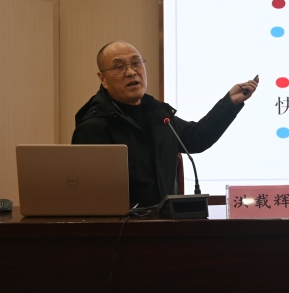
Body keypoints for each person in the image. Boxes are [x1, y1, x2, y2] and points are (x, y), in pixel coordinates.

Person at [71, 41, 258, 207]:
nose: (131, 72)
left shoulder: (158, 114)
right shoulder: (93, 127)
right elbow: (90, 196)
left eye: (136, 63)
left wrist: (229, 103)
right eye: (119, 67)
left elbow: (197, 138)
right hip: (125, 229)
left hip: (167, 223)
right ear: (103, 79)